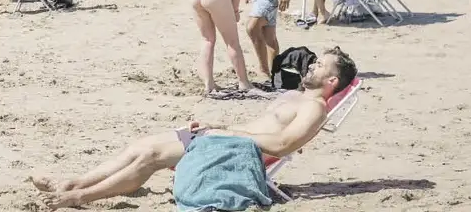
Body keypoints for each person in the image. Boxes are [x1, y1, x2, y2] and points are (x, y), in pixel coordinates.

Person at [28, 49, 358, 210]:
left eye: (320, 66)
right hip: (223, 137)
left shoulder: (314, 109)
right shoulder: (296, 95)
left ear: (331, 82)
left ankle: (79, 196)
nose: (311, 64)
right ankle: (74, 181)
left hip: (234, 149)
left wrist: (227, 134)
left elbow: (284, 144)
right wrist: (218, 126)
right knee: (140, 145)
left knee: (153, 157)